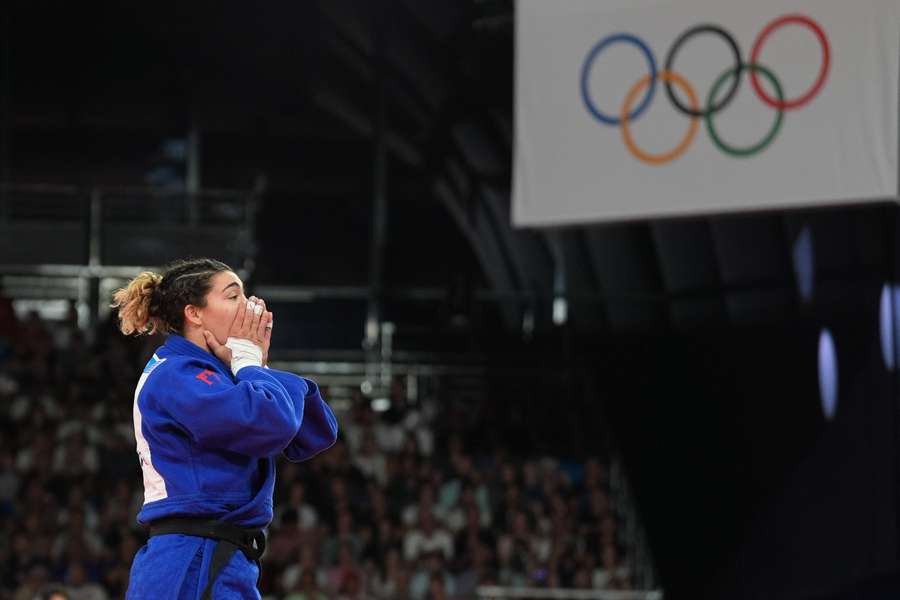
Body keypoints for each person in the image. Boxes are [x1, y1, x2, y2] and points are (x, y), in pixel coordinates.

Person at [112, 258, 338, 599]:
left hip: (219, 558)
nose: (249, 306)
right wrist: (248, 365)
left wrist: (252, 366)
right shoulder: (176, 373)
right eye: (233, 296)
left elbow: (316, 432)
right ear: (195, 313)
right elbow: (274, 425)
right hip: (190, 562)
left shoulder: (223, 374)